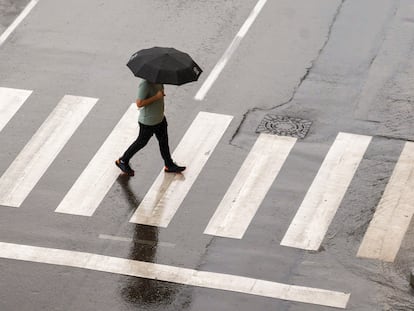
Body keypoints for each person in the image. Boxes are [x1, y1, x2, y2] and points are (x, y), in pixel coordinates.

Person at [115, 80, 186, 176]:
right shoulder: (145, 84)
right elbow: (139, 103)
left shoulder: (160, 80)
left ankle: (169, 164)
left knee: (164, 141)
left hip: (160, 118)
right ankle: (123, 161)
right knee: (141, 142)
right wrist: (156, 97)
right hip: (148, 121)